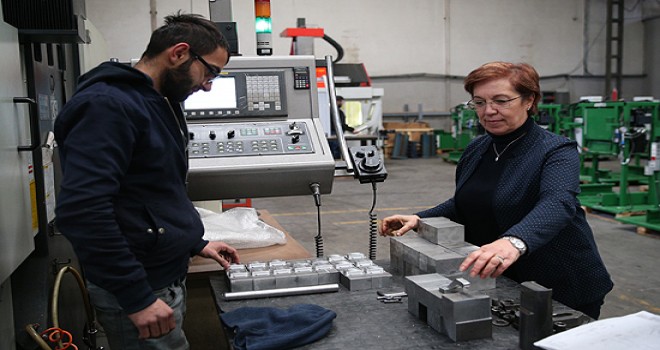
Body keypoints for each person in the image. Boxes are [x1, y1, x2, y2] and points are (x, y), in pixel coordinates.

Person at [55, 13, 240, 349]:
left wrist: (192, 242)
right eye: (210, 71)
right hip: (139, 283)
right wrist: (137, 297)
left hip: (160, 274)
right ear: (179, 53)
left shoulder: (158, 102)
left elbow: (150, 191)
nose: (208, 84)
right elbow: (83, 210)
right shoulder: (108, 105)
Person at [380, 61, 613, 320]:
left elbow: (558, 203)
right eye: (479, 102)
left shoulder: (555, 150)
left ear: (529, 100)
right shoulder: (477, 149)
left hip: (562, 284)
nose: (489, 111)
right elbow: (466, 203)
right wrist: (420, 218)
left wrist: (513, 242)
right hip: (507, 283)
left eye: (501, 101)